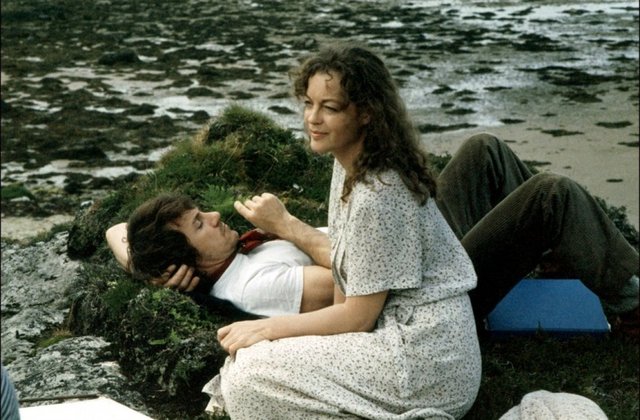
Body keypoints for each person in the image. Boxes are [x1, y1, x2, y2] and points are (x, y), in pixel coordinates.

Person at [203, 42, 482, 419]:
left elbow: (357, 318)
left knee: (249, 375)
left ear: (366, 113)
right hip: (393, 335)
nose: (312, 118)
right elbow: (343, 279)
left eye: (330, 108)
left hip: (424, 360)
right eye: (308, 103)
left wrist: (270, 329)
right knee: (250, 363)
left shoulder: (378, 194)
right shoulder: (348, 165)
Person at [105, 193, 334, 317]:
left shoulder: (234, 259)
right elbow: (351, 277)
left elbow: (115, 231)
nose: (214, 215)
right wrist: (285, 224)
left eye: (201, 213)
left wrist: (143, 269)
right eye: (199, 224)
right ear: (188, 258)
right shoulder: (253, 287)